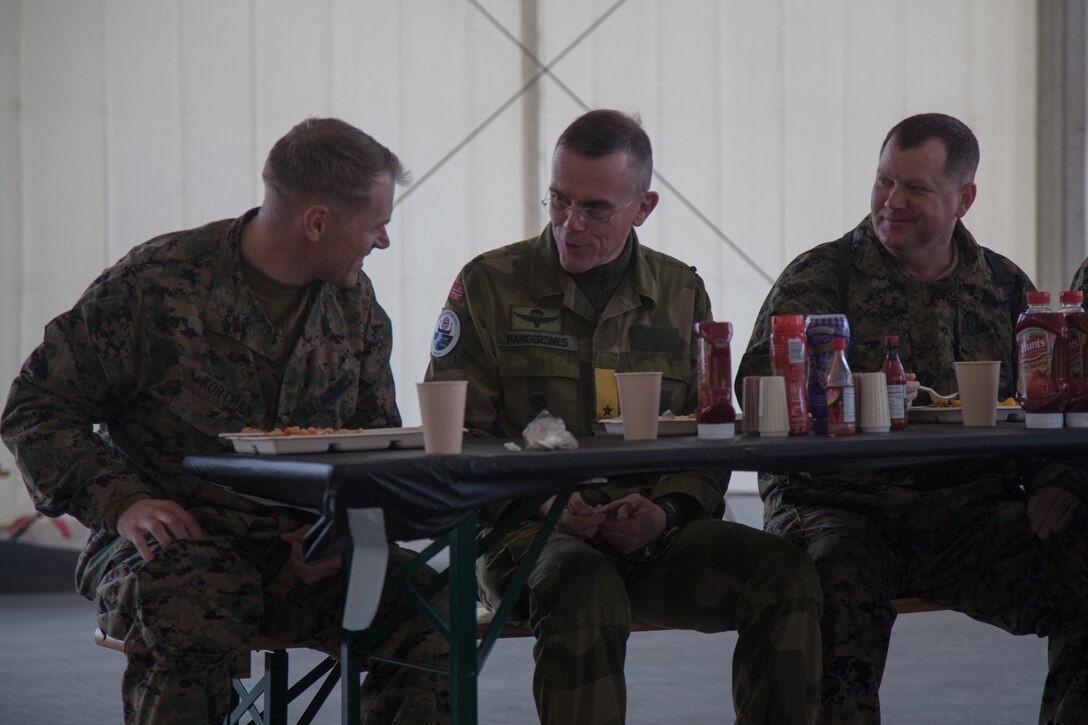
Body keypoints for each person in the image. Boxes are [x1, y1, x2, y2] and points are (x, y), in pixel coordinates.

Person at [1, 118, 450, 723]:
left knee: (429, 613)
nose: (383, 242)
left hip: (302, 556)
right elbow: (37, 406)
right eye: (377, 225)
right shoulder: (157, 286)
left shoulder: (356, 308)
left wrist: (348, 533)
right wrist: (122, 502)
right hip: (168, 549)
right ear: (316, 222)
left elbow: (374, 444)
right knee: (193, 606)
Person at [426, 109, 823, 724]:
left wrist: (667, 512)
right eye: (558, 201)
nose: (570, 225)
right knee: (583, 587)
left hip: (654, 539)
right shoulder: (490, 285)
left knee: (786, 575)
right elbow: (455, 435)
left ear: (644, 207)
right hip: (525, 535)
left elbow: (707, 428)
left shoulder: (678, 291)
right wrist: (543, 503)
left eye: (596, 209)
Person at [736, 112, 1088, 724]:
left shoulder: (1004, 288)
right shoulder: (822, 278)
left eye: (916, 188)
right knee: (832, 586)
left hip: (968, 516)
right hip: (841, 507)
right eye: (883, 181)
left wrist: (1059, 481)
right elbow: (754, 390)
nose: (891, 202)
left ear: (964, 198)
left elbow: (1049, 398)